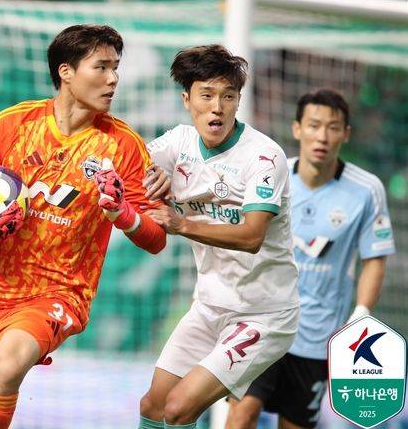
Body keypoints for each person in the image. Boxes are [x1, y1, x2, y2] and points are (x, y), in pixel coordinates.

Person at [0, 24, 167, 429]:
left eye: (116, 68)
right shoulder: (14, 123)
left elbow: (157, 240)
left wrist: (122, 214)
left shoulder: (123, 146)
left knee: (8, 366)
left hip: (56, 293)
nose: (113, 79)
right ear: (66, 72)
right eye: (101, 67)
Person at [137, 44, 299, 429]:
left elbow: (252, 236)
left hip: (263, 314)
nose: (217, 108)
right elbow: (131, 168)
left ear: (239, 101)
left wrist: (182, 224)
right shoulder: (177, 143)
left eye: (228, 96)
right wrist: (146, 179)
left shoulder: (263, 157)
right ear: (187, 99)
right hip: (210, 305)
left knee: (179, 408)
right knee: (153, 406)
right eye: (207, 95)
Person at [225, 89, 395, 429]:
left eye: (333, 127)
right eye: (314, 125)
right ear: (297, 129)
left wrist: (361, 312)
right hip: (263, 323)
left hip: (319, 338)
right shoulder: (271, 177)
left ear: (346, 134)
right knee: (242, 415)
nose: (322, 137)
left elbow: (374, 259)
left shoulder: (367, 190)